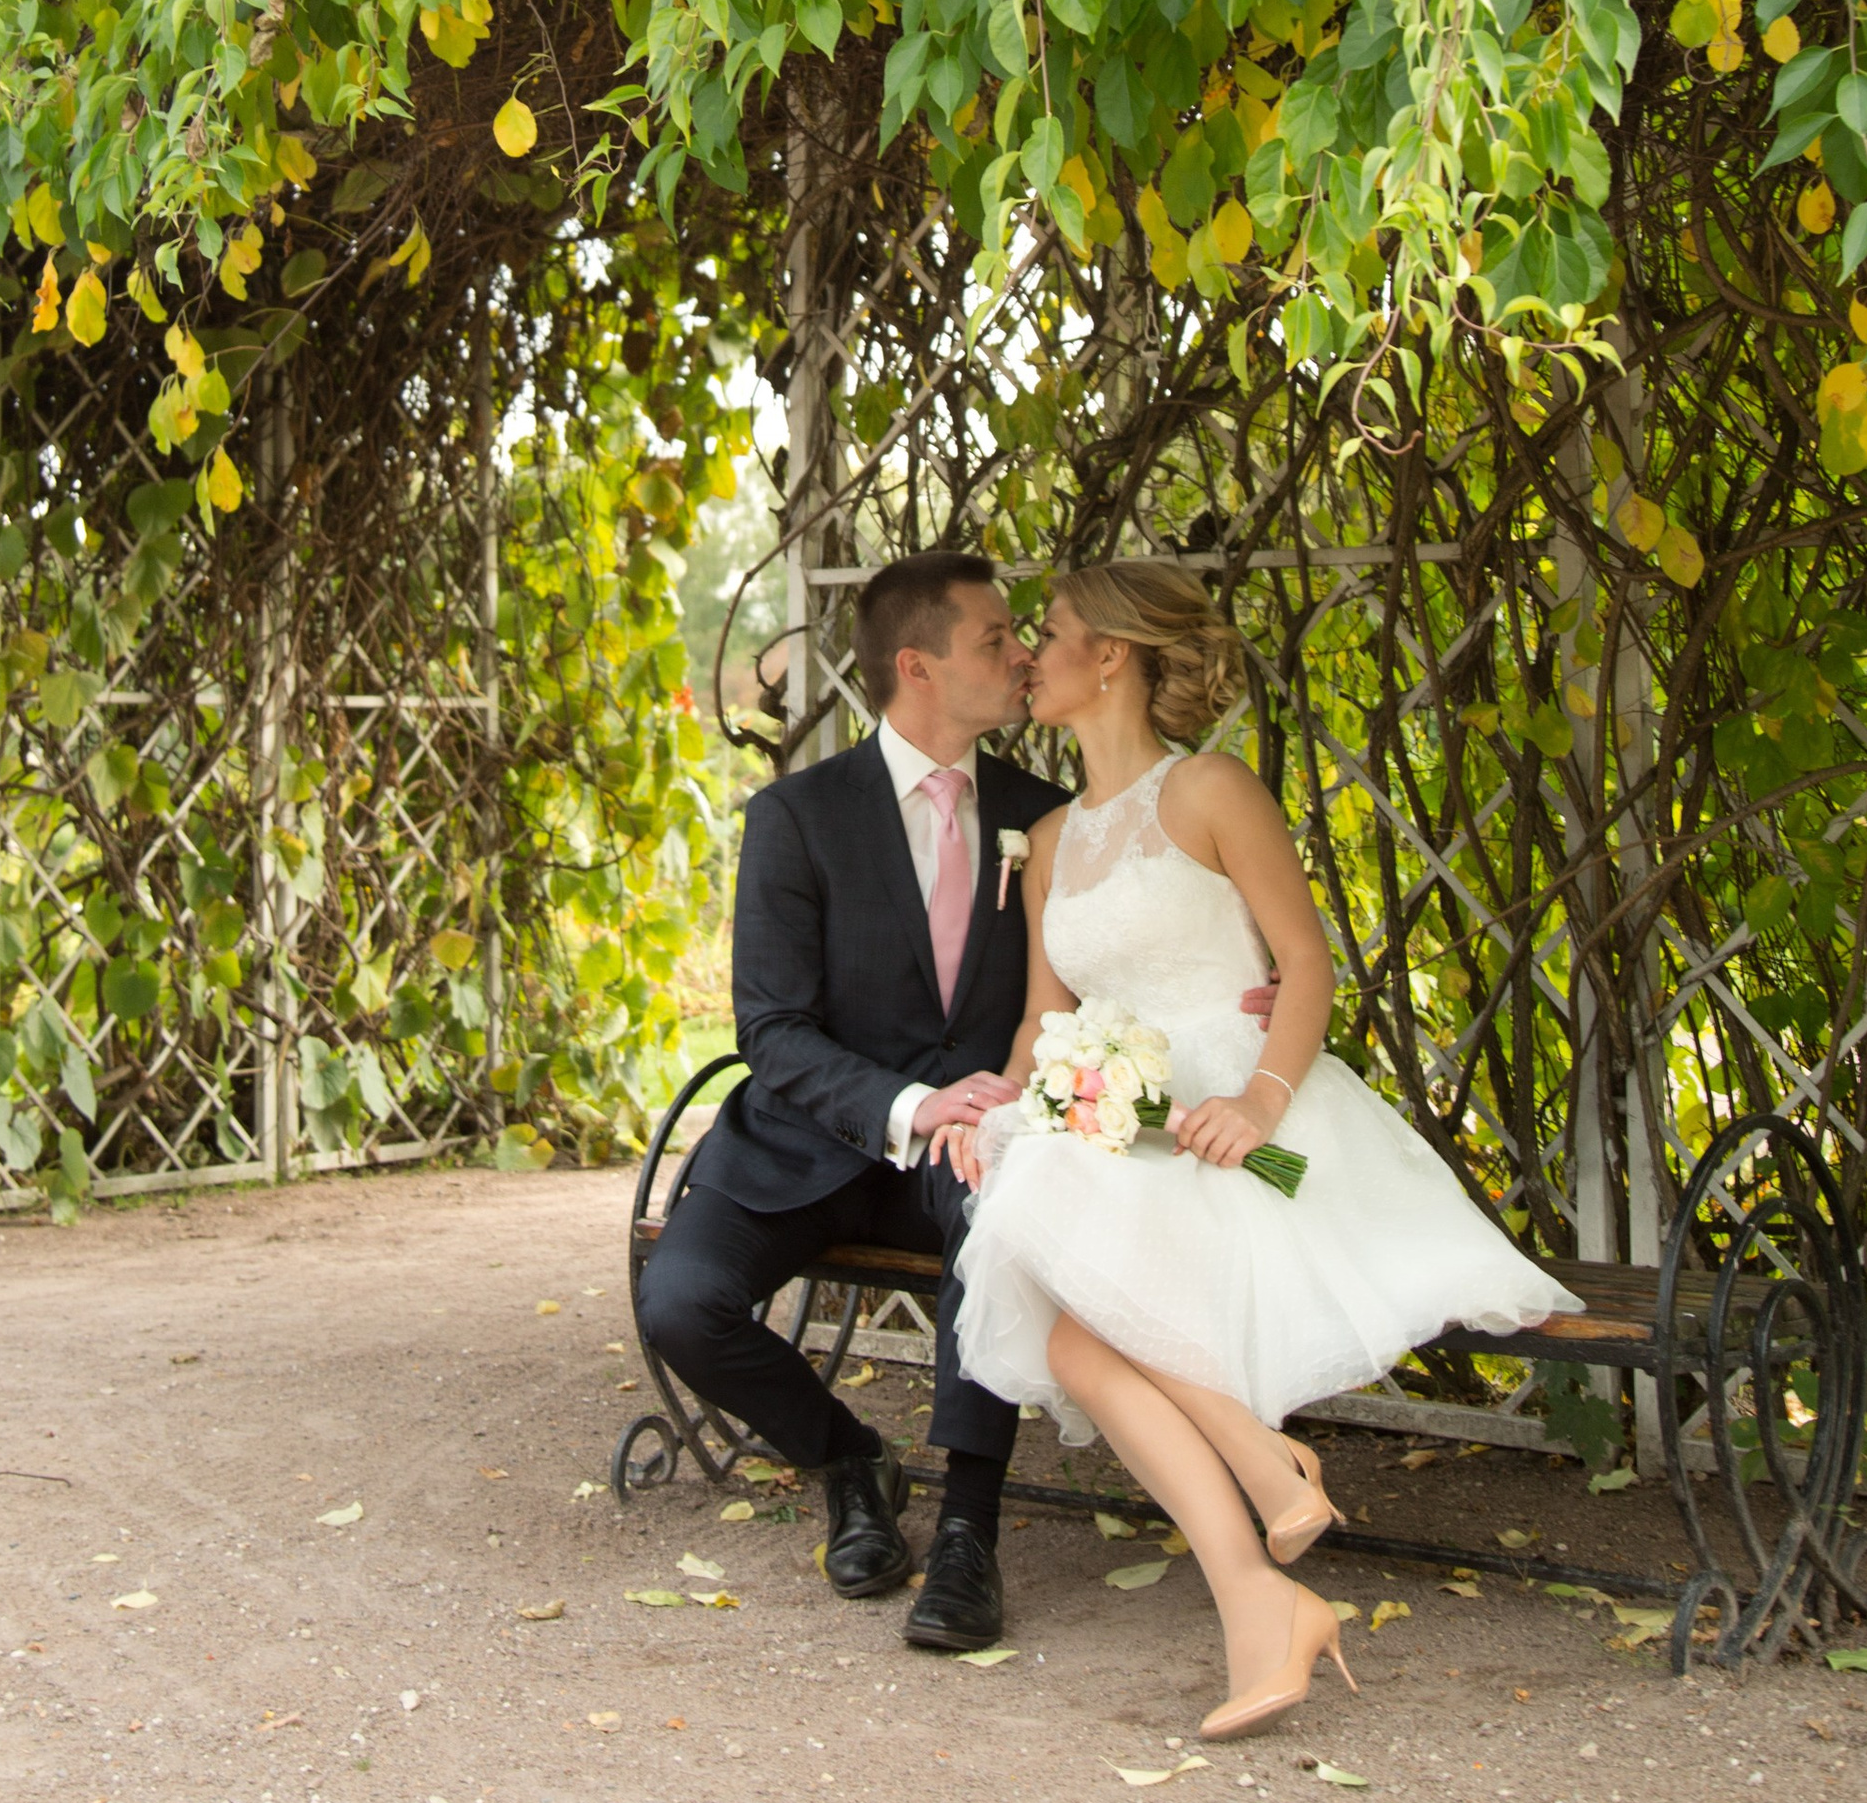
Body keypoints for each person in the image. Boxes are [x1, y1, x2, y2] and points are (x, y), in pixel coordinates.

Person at [943, 560, 1581, 1739]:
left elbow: (1306, 960)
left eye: (1054, 632)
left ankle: (1257, 1573)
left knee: (1085, 1341)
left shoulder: (1211, 789)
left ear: (1113, 657)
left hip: (1241, 1122)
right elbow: (1042, 1016)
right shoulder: (1043, 838)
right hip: (1123, 1129)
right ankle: (1256, 1526)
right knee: (1051, 1269)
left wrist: (1261, 1103)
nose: (1033, 652)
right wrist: (1017, 1107)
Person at [636, 553, 1069, 1649]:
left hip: (968, 1150)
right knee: (679, 1303)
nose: (1021, 653)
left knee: (991, 1217)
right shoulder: (797, 817)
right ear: (916, 668)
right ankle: (847, 1461)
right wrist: (910, 1103)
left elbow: (1087, 978)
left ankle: (968, 1534)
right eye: (994, 639)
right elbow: (770, 1031)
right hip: (810, 1138)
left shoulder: (1044, 816)